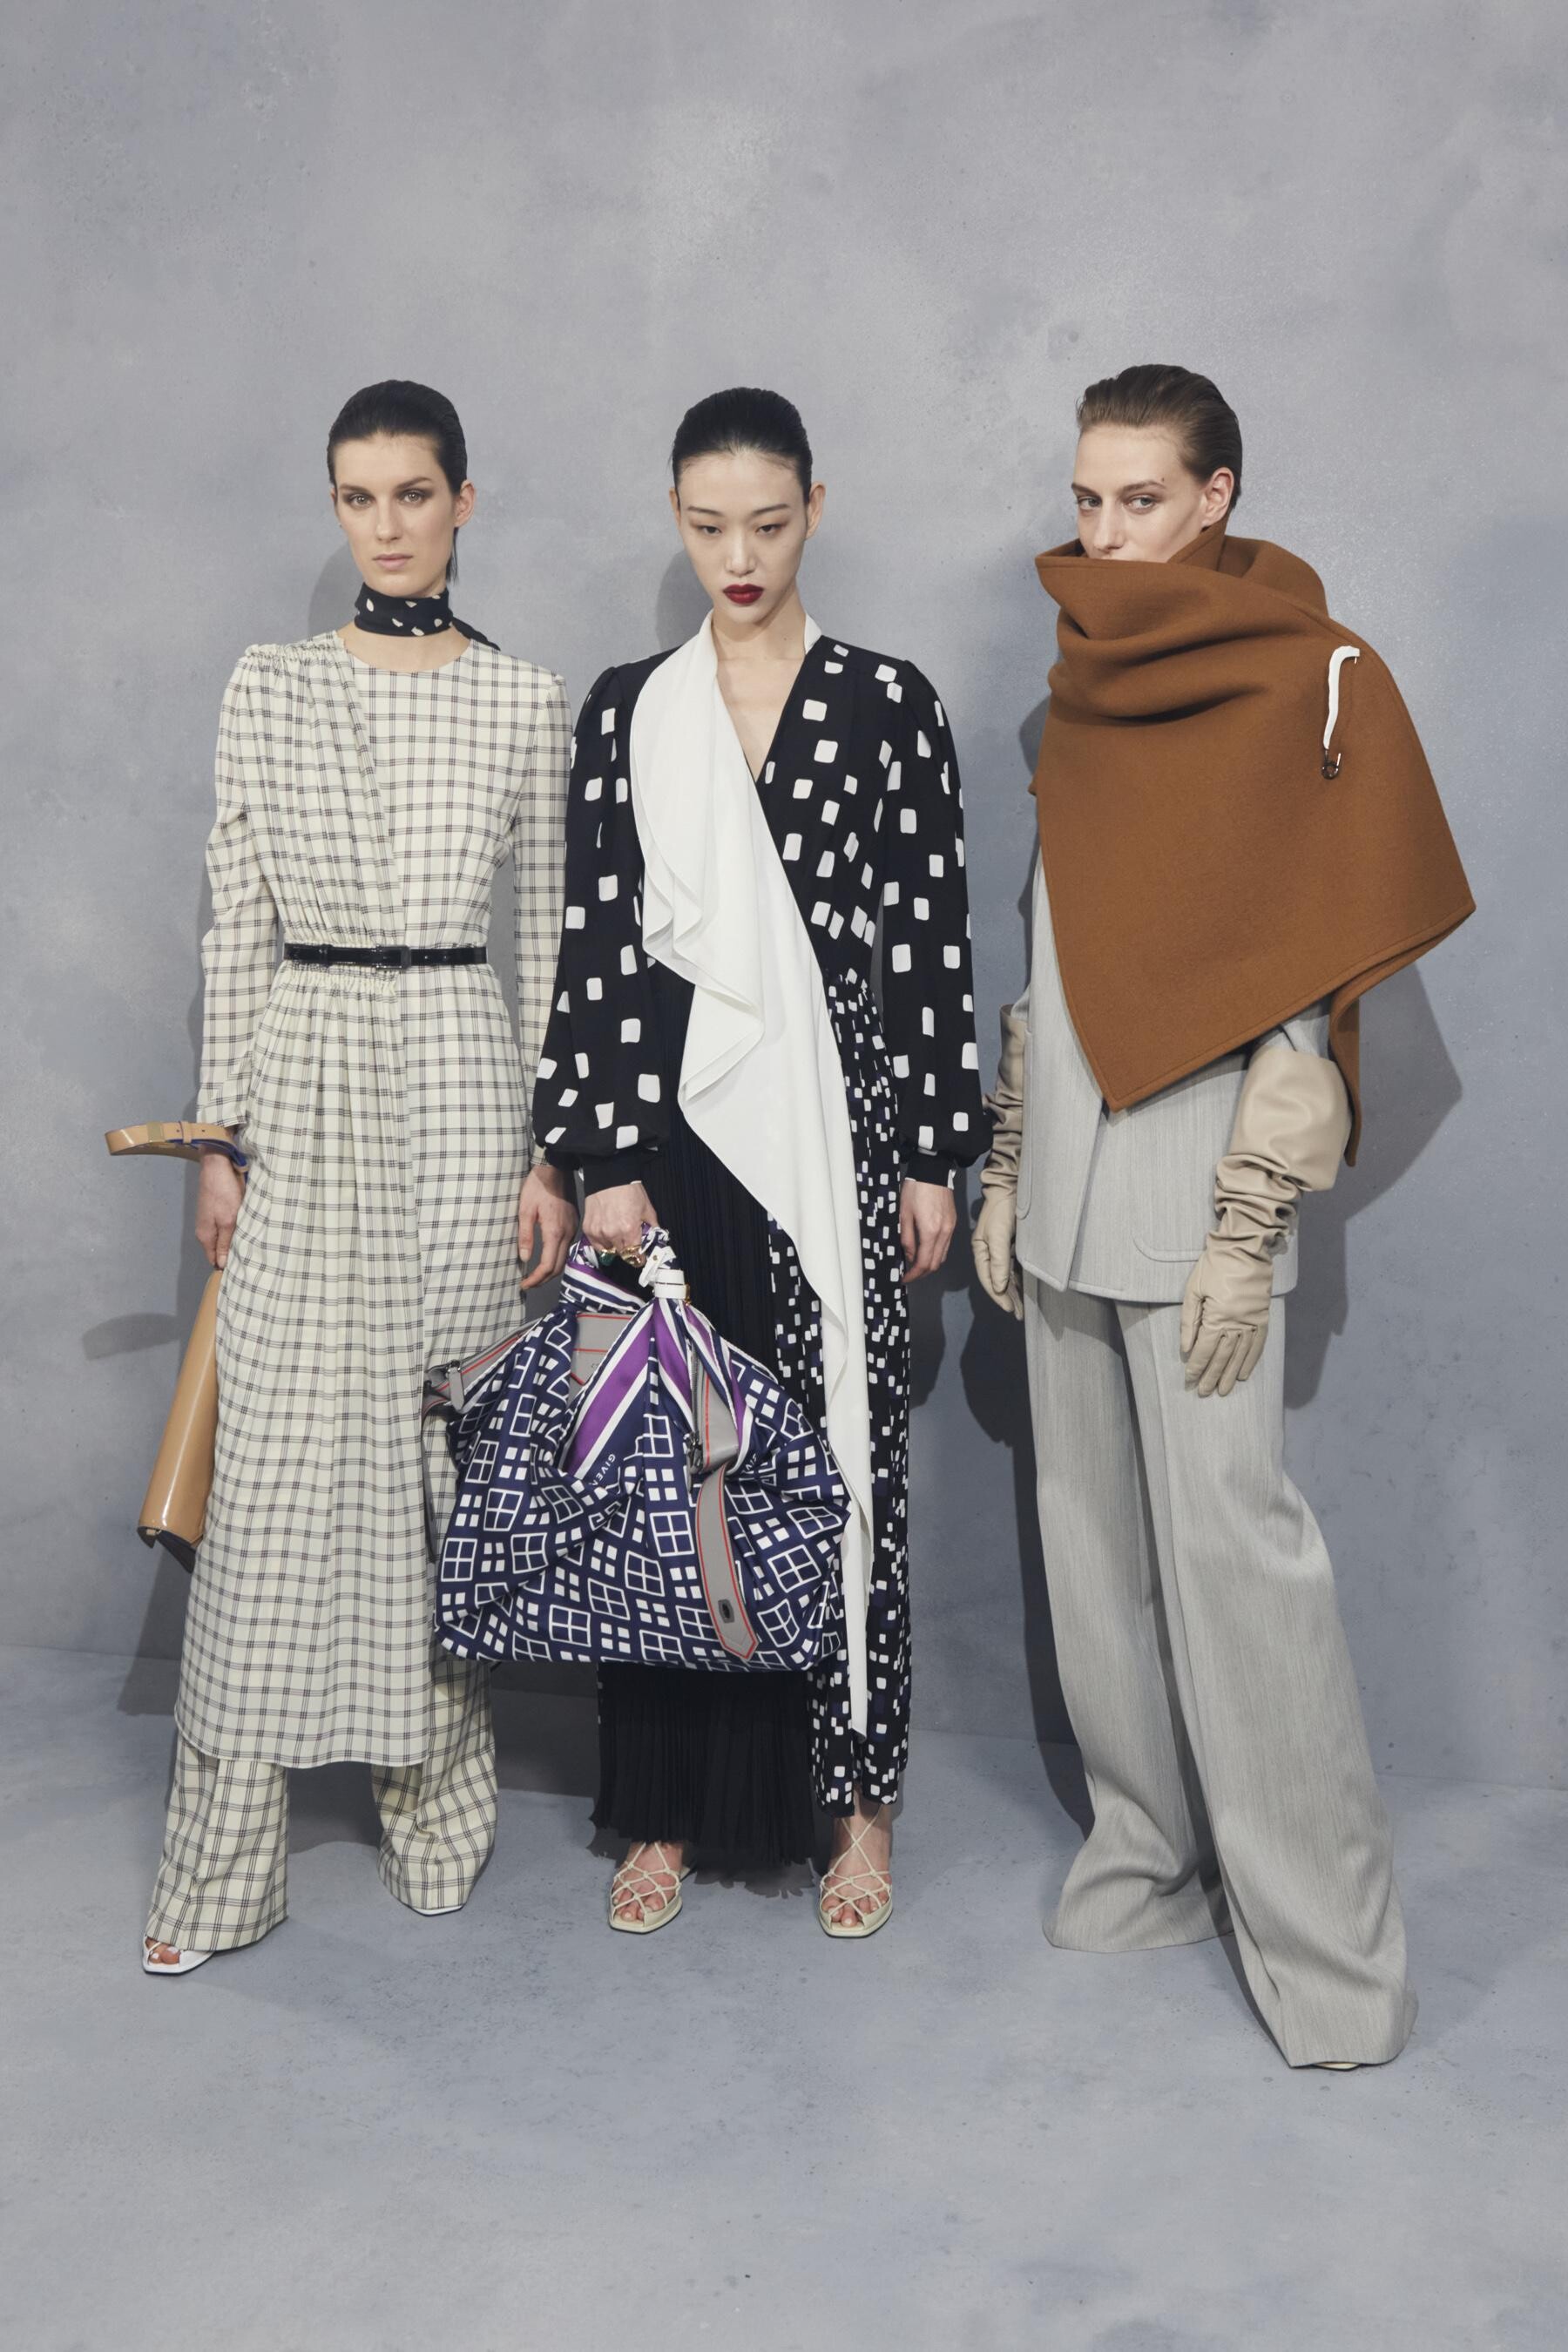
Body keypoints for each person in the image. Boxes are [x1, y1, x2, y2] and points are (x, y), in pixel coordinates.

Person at [973, 364, 1472, 2065]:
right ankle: (1148, 1853)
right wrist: (1009, 1156)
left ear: (1216, 498)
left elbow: (1302, 1001)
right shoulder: (1083, 685)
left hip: (1196, 1191)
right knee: (1088, 1548)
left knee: (1237, 1566)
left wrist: (1249, 1229)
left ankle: (1332, 1961)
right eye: (1086, 499)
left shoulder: (1313, 683)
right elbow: (1055, 942)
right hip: (1064, 1184)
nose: (1105, 533)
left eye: (1140, 500)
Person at [535, 387, 986, 1936]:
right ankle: (661, 1811)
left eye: (771, 524)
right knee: (666, 1470)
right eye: (709, 526)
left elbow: (928, 938)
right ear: (677, 518)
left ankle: (854, 1807)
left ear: (816, 511)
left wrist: (930, 1154)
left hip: (834, 1125)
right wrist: (599, 1154)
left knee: (832, 1460)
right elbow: (596, 941)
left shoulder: (887, 702)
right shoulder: (630, 708)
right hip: (668, 1135)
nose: (740, 557)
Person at [143, 379, 577, 1974]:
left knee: (436, 1449)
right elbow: (234, 919)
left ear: (464, 500)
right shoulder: (269, 684)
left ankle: (434, 1809)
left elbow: (550, 946)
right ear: (335, 507)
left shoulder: (525, 698)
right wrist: (217, 1138)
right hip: (301, 1067)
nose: (384, 525)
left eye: (412, 493)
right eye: (357, 497)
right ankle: (220, 1869)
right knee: (273, 1460)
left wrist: (549, 1152)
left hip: (462, 1075)